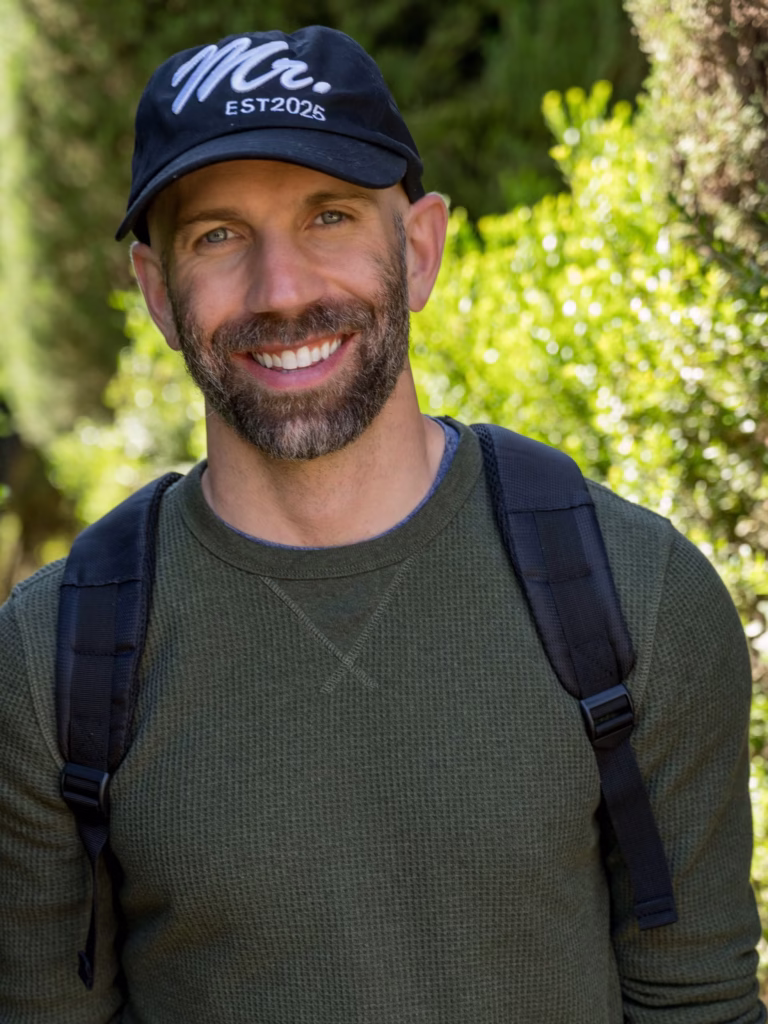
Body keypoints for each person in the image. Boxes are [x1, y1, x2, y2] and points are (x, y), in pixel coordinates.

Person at [0, 24, 764, 1024]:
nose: (283, 291)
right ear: (156, 289)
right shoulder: (54, 656)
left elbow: (701, 1003)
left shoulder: (636, 595)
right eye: (218, 236)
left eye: (329, 216)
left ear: (418, 248)